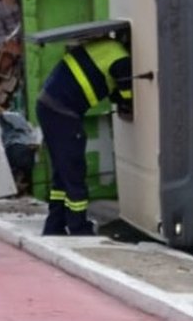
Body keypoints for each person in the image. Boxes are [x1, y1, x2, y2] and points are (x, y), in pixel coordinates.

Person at [36, 37, 132, 236]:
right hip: (63, 112)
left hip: (47, 106)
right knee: (74, 171)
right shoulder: (123, 60)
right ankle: (78, 227)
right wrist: (128, 103)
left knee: (62, 172)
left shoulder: (108, 47)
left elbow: (109, 86)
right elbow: (128, 95)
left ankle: (54, 225)